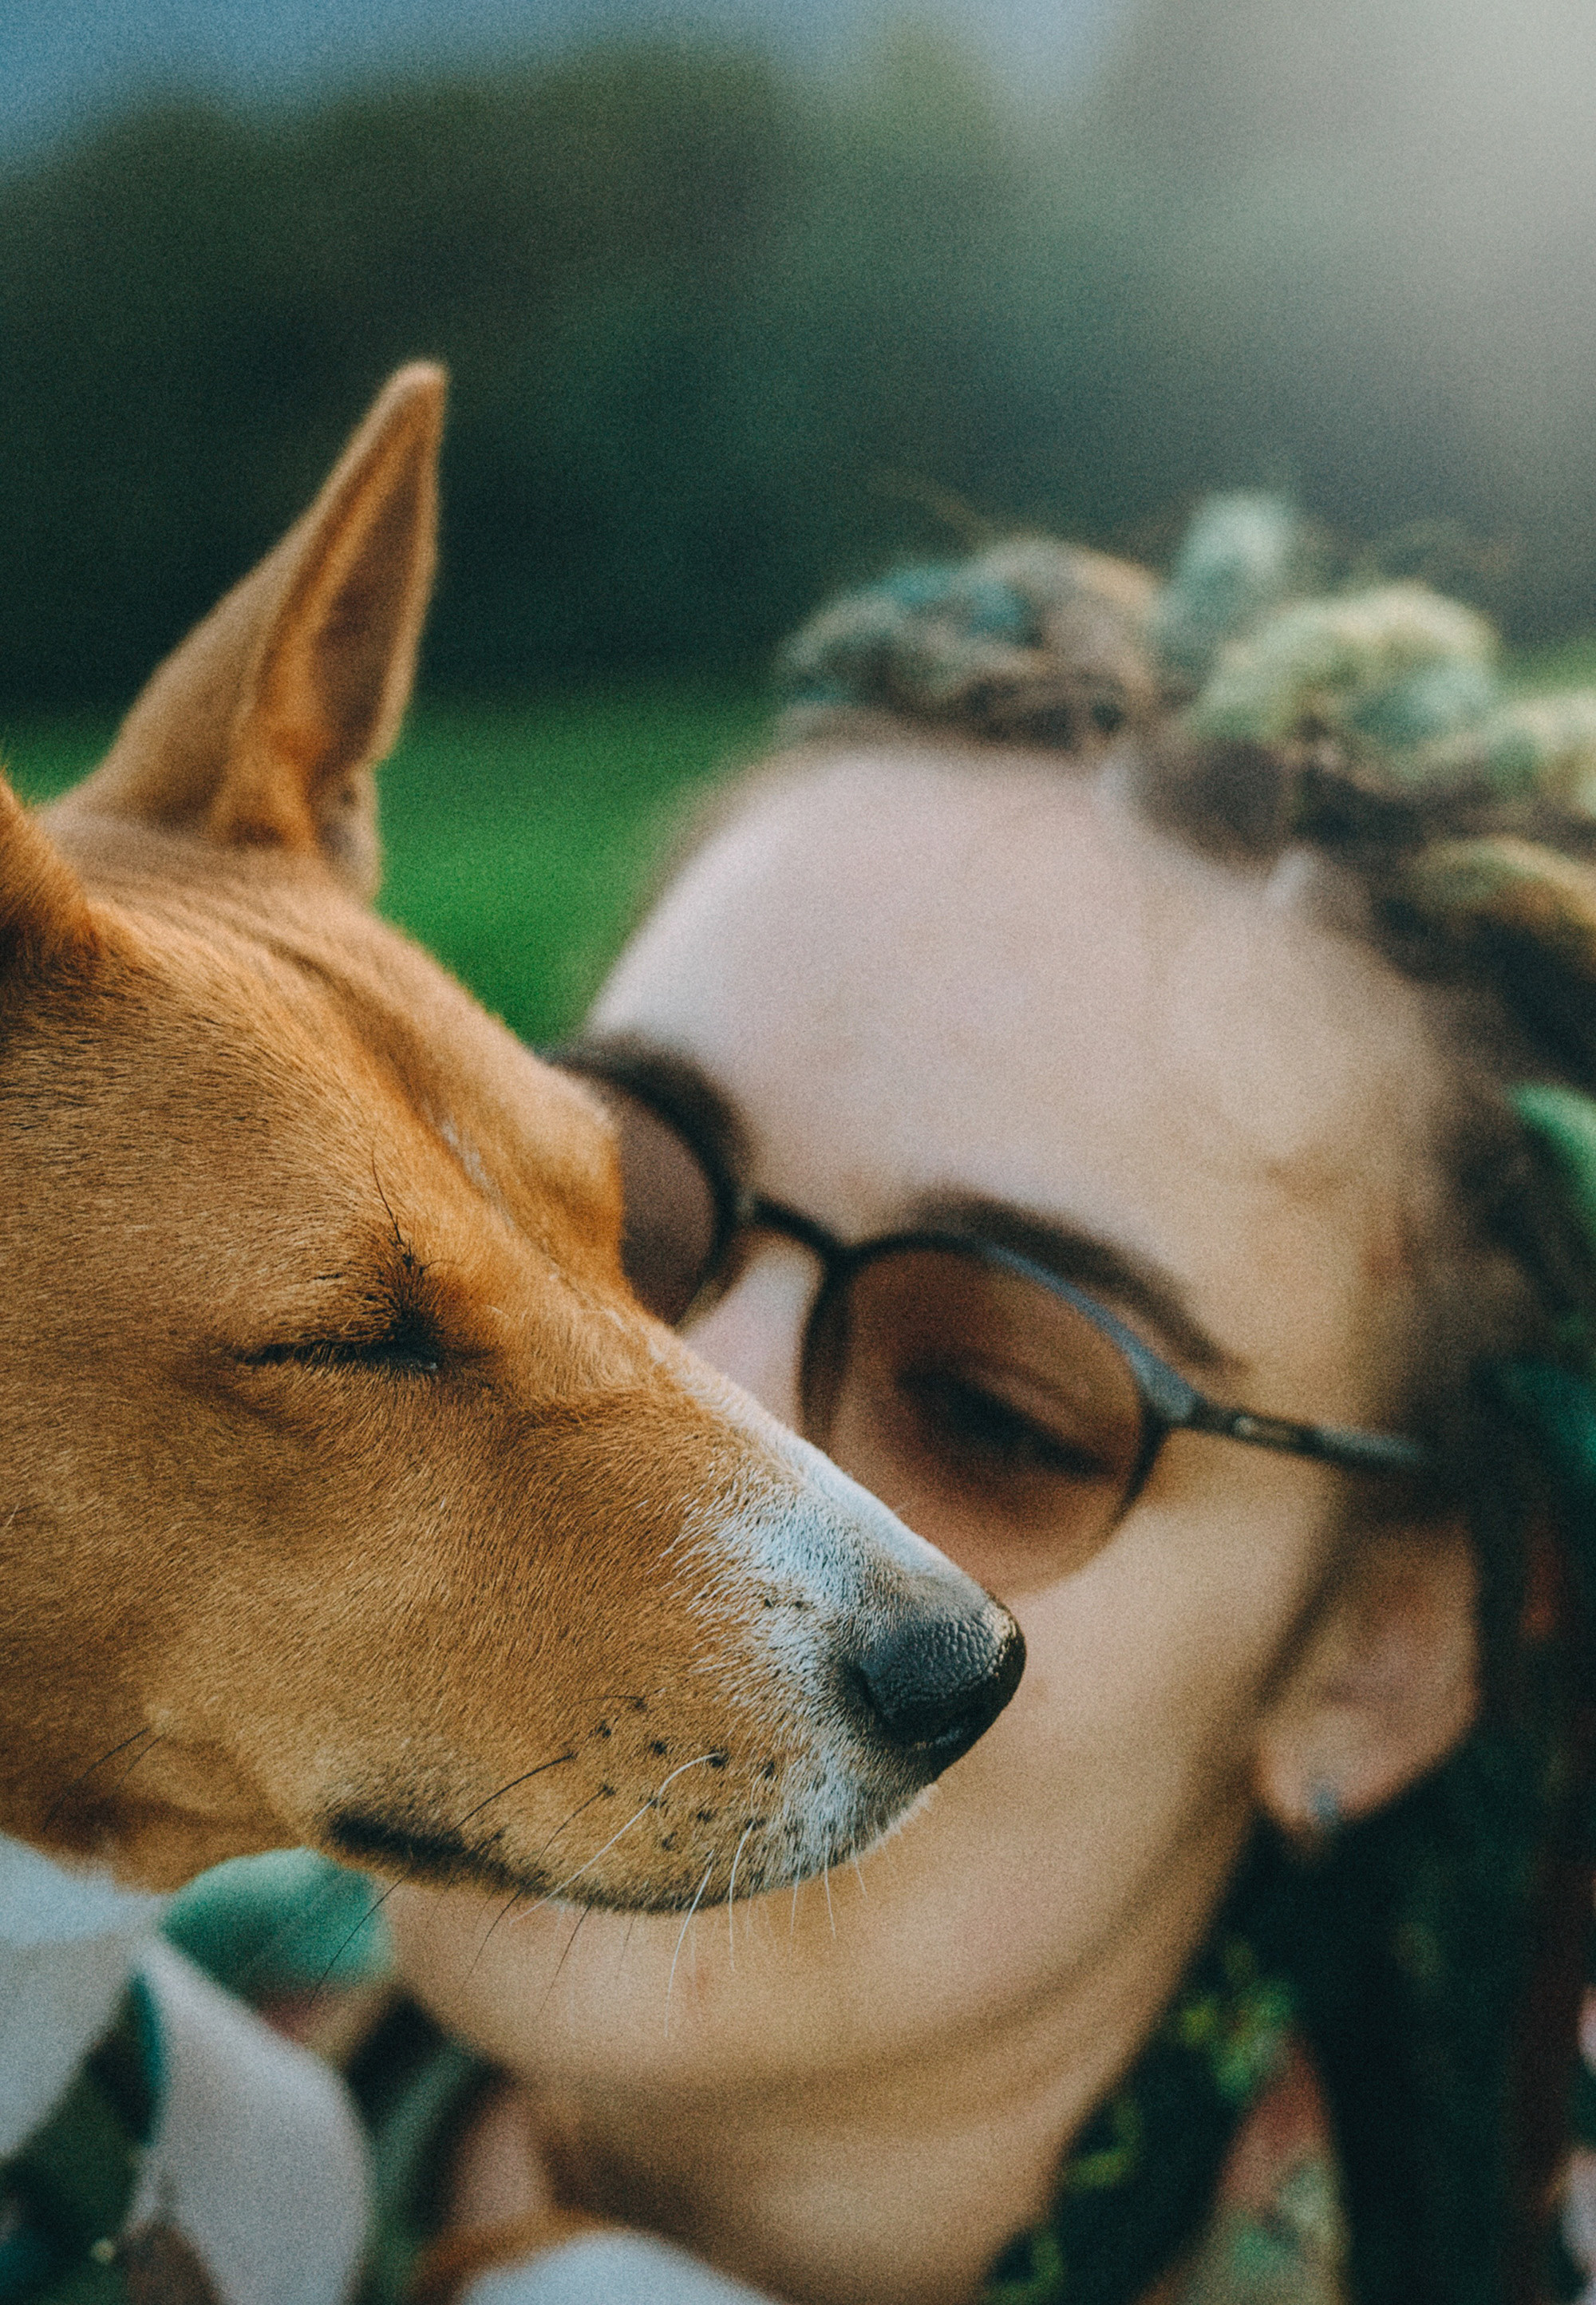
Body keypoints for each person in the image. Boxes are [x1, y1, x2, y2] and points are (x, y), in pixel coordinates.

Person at [203, 503, 1596, 2304]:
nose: (676, 1432)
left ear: (1379, 1658)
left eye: (992, 1408)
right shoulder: (106, 2022)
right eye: (604, 1211)